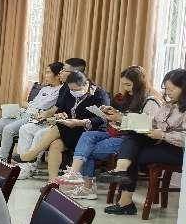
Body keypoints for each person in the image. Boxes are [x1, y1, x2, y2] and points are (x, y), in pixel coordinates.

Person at [55, 66, 160, 200]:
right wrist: (112, 112)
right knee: (87, 136)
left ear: (140, 83)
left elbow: (147, 125)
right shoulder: (131, 97)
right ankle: (75, 174)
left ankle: (87, 187)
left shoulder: (150, 101)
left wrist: (120, 118)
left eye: (128, 85)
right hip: (118, 132)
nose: (126, 88)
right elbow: (125, 117)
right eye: (123, 84)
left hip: (132, 138)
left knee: (87, 150)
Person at [98, 69, 186, 215]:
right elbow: (152, 122)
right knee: (133, 138)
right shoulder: (169, 105)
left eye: (172, 89)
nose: (168, 92)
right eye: (166, 89)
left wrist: (163, 135)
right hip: (161, 144)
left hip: (178, 152)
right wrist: (126, 120)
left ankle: (124, 195)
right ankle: (121, 173)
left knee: (131, 154)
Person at [13, 70, 110, 180]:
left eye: (76, 90)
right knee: (55, 144)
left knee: (59, 128)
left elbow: (102, 119)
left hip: (89, 131)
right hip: (70, 128)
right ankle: (52, 182)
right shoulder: (68, 90)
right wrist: (61, 114)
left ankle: (32, 155)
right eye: (71, 89)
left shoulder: (99, 94)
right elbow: (61, 109)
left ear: (86, 84)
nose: (73, 92)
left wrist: (81, 122)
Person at [0, 61, 64, 160]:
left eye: (48, 72)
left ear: (57, 75)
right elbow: (32, 103)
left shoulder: (61, 90)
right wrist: (29, 105)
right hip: (24, 112)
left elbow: (44, 105)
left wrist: (29, 105)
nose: (45, 75)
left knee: (8, 129)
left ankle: (2, 160)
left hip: (33, 117)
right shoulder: (45, 89)